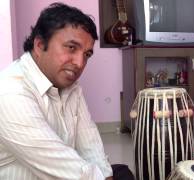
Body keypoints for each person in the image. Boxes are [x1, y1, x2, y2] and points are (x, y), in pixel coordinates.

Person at [0, 3, 133, 180]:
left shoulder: (71, 87)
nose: (80, 63)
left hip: (66, 172)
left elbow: (90, 145)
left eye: (87, 54)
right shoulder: (11, 91)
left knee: (121, 172)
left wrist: (106, 175)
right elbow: (61, 167)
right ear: (39, 45)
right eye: (71, 47)